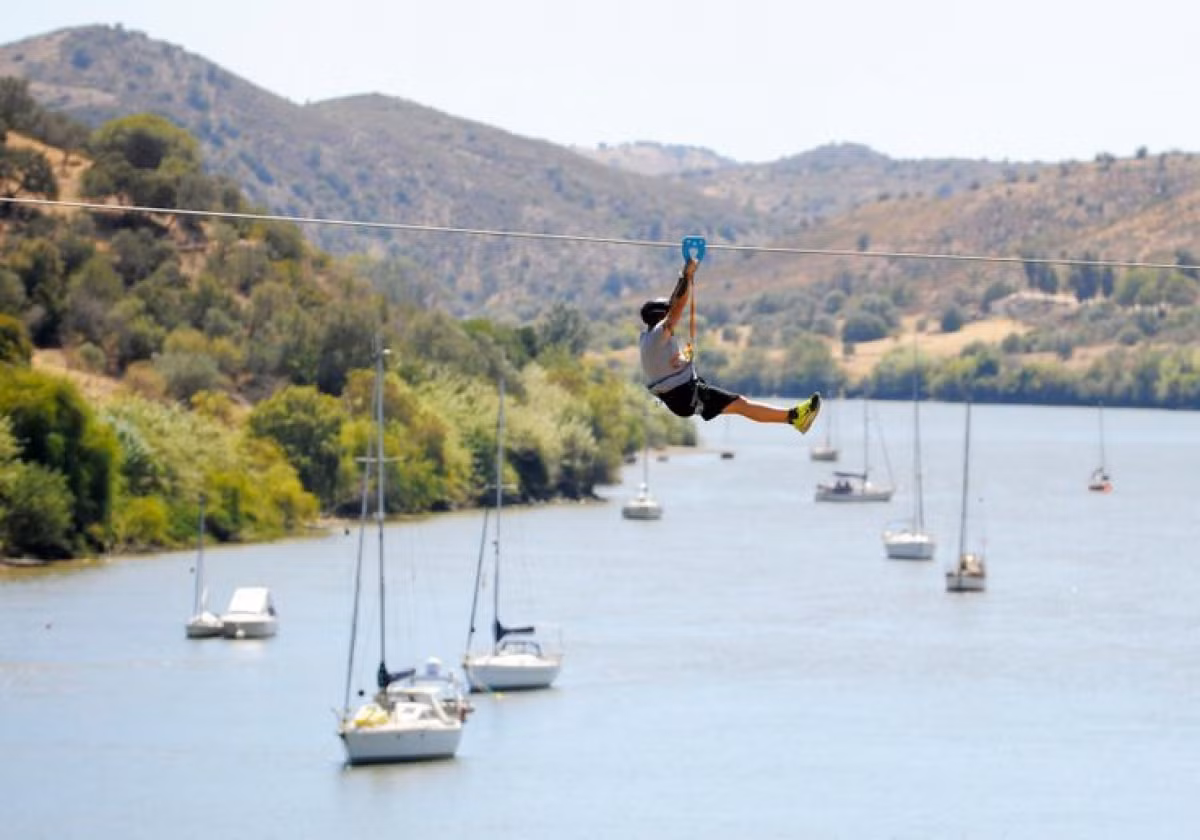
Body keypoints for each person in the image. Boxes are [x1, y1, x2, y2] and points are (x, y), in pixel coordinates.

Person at [639, 257, 821, 432]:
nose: (675, 318)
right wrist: (686, 276)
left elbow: (665, 365)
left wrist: (683, 358)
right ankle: (795, 418)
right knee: (741, 405)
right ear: (661, 316)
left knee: (740, 406)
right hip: (685, 395)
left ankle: (794, 417)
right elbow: (677, 306)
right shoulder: (657, 335)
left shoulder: (648, 340)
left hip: (680, 398)